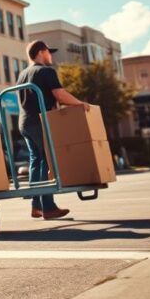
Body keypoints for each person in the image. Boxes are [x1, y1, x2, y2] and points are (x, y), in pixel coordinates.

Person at [15, 40, 90, 220]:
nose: (51, 56)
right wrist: (80, 104)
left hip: (24, 122)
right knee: (46, 160)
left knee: (36, 159)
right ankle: (48, 207)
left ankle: (36, 206)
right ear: (41, 52)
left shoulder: (22, 74)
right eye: (49, 52)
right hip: (39, 121)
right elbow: (60, 94)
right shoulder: (46, 71)